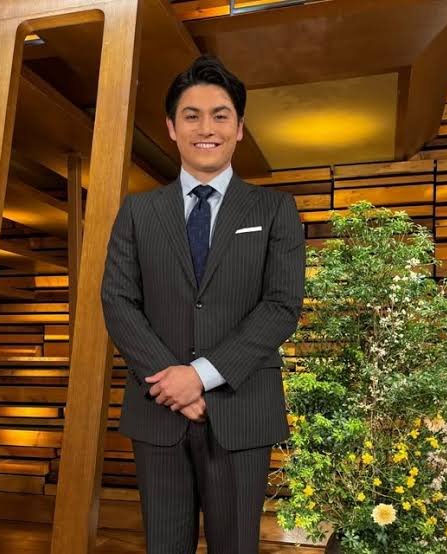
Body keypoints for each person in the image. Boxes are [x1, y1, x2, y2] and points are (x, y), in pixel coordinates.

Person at [101, 54, 305, 554]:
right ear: (172, 128)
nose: (206, 128)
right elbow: (118, 300)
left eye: (220, 115)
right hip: (158, 410)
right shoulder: (139, 211)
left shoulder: (274, 209)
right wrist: (171, 382)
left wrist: (200, 375)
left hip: (242, 409)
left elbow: (281, 305)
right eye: (191, 116)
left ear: (239, 128)